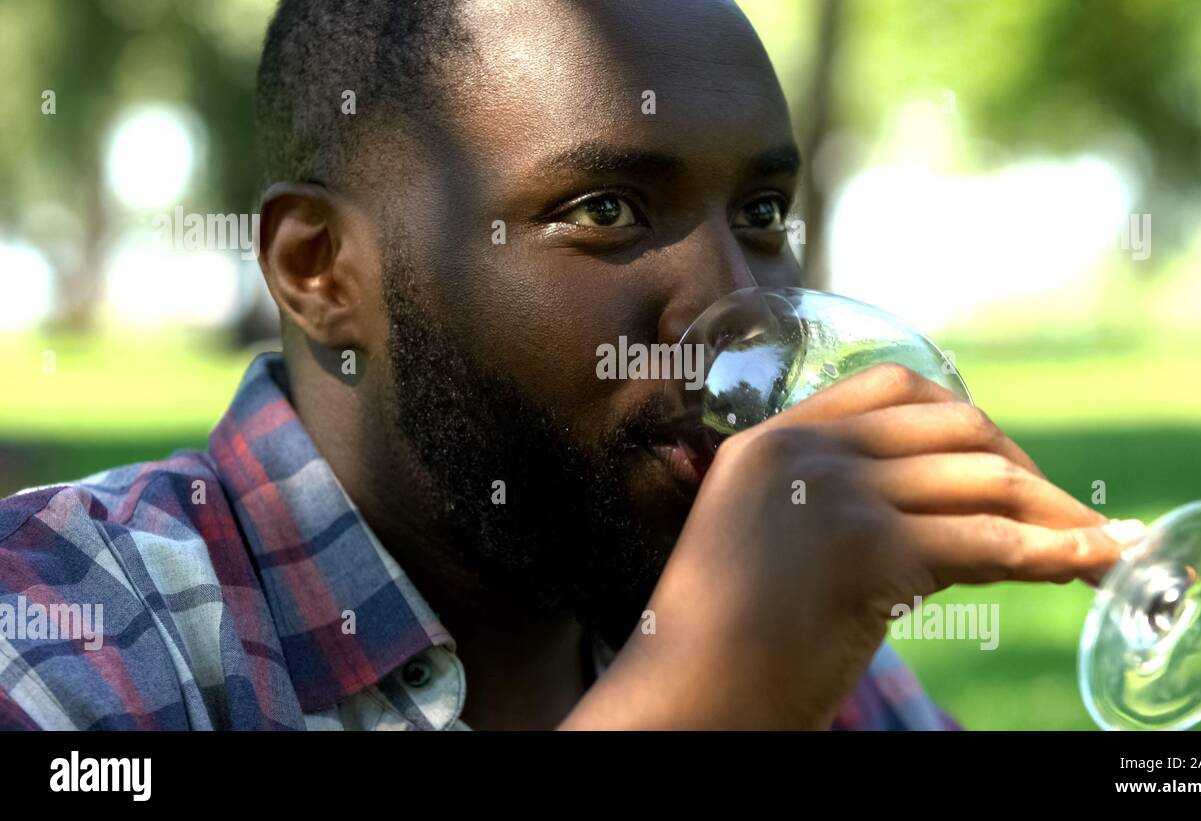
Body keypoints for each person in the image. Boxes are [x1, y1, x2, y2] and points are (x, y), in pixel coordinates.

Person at [0, 0, 1140, 730]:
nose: (738, 307)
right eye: (605, 208)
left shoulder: (799, 644)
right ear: (321, 270)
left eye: (761, 210)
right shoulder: (73, 636)